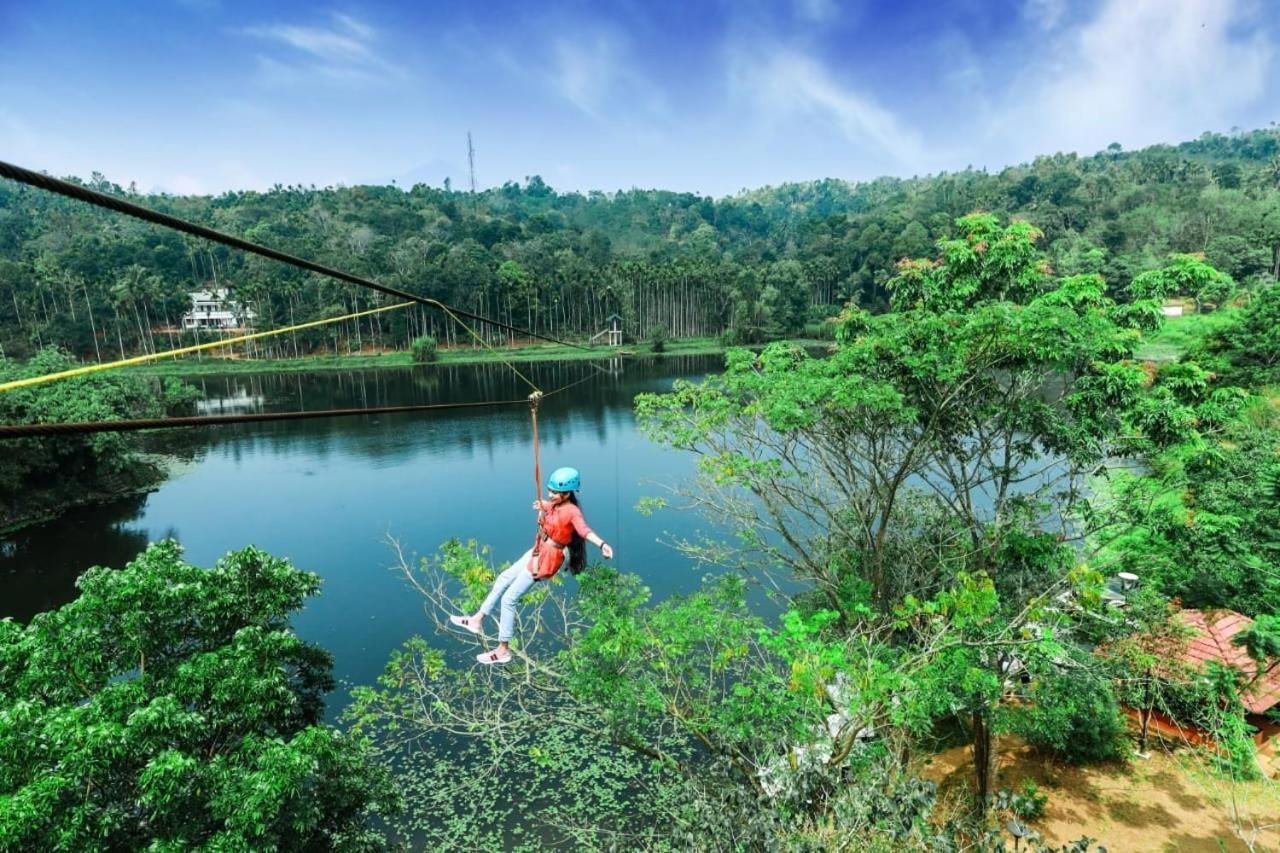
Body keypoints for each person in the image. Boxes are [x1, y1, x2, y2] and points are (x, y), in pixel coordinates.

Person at [450, 466, 613, 664]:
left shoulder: (572, 512)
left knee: (509, 599)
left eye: (555, 492)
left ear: (567, 493)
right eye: (550, 490)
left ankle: (503, 650)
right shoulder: (556, 504)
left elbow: (584, 530)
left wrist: (602, 544)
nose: (550, 494)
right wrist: (544, 505)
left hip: (547, 559)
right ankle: (477, 620)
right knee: (503, 578)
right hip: (538, 549)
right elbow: (553, 510)